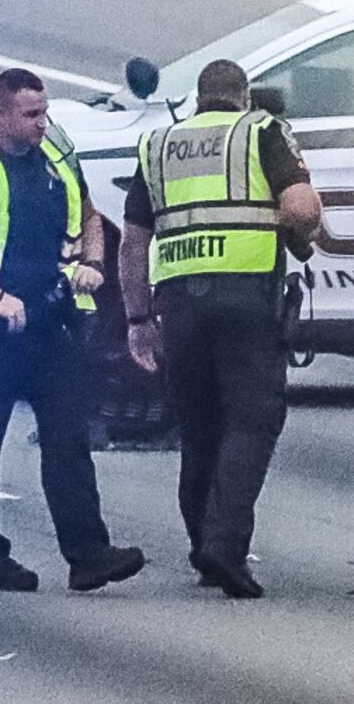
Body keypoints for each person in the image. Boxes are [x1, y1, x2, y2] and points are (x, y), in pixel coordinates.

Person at [0, 69, 147, 594]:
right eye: (30, 114)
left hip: (49, 321)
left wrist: (91, 260)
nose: (43, 123)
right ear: (2, 113)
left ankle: (88, 554)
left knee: (68, 440)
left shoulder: (56, 148)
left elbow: (87, 213)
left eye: (44, 111)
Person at [119, 59, 317, 599]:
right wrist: (300, 241)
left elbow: (132, 243)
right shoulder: (262, 131)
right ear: (243, 95)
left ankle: (203, 549)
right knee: (252, 422)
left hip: (178, 304)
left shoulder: (157, 146)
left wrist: (137, 319)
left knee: (200, 428)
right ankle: (224, 547)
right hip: (246, 298)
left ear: (200, 99)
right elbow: (301, 207)